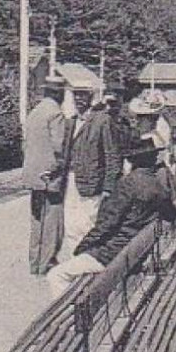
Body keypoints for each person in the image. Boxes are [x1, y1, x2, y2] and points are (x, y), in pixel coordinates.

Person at [45, 133, 176, 298]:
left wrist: (83, 247)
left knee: (56, 275)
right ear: (153, 159)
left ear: (131, 161)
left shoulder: (127, 184)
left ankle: (71, 320)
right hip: (136, 252)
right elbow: (171, 215)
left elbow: (106, 224)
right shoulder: (158, 187)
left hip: (113, 255)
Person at [21, 74, 70, 276]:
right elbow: (58, 146)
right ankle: (46, 263)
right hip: (50, 175)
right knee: (52, 220)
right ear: (59, 94)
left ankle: (34, 263)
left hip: (33, 174)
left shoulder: (35, 112)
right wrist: (61, 167)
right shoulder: (56, 113)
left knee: (36, 220)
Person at [61, 87, 119, 258]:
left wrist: (108, 187)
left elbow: (112, 156)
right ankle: (75, 260)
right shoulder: (71, 122)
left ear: (91, 97)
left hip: (93, 183)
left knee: (88, 224)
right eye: (76, 95)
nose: (79, 99)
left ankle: (88, 261)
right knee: (71, 224)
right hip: (71, 180)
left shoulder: (102, 121)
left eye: (83, 95)